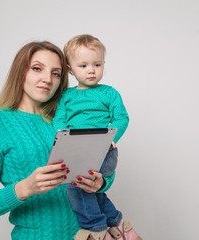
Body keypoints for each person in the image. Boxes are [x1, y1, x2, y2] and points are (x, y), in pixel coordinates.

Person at [0, 41, 116, 240]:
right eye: (37, 68)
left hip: (89, 235)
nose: (47, 79)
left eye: (56, 73)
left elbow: (99, 167)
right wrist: (25, 188)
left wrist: (101, 183)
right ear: (20, 71)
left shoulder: (67, 119)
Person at [53, 34, 141, 240]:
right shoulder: (66, 96)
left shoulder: (109, 93)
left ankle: (96, 229)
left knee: (76, 186)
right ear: (70, 69)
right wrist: (63, 140)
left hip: (103, 149)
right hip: (77, 150)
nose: (91, 70)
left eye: (97, 64)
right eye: (83, 65)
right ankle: (119, 225)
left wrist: (111, 138)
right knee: (91, 190)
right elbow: (59, 120)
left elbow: (121, 117)